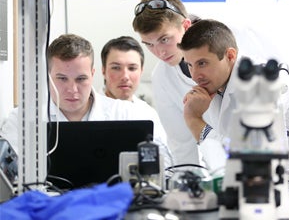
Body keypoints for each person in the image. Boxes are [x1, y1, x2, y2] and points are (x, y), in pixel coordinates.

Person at [177, 19, 289, 180]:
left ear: (230, 56)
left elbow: (245, 162)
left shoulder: (263, 85)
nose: (195, 75)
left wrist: (194, 120)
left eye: (202, 63)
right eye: (190, 65)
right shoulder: (217, 88)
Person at [0, 34, 171, 168]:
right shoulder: (23, 119)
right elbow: (7, 175)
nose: (72, 89)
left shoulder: (128, 114)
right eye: (62, 79)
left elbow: (165, 165)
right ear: (48, 76)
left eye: (81, 79)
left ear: (93, 74)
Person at [132, 0, 201, 166]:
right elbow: (182, 144)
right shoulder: (162, 77)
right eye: (149, 44)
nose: (159, 52)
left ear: (186, 26)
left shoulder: (230, 47)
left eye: (164, 39)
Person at [100, 35, 170, 157]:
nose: (125, 76)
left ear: (141, 71)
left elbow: (164, 159)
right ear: (103, 71)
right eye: (116, 68)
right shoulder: (86, 110)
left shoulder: (148, 114)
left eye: (132, 68)